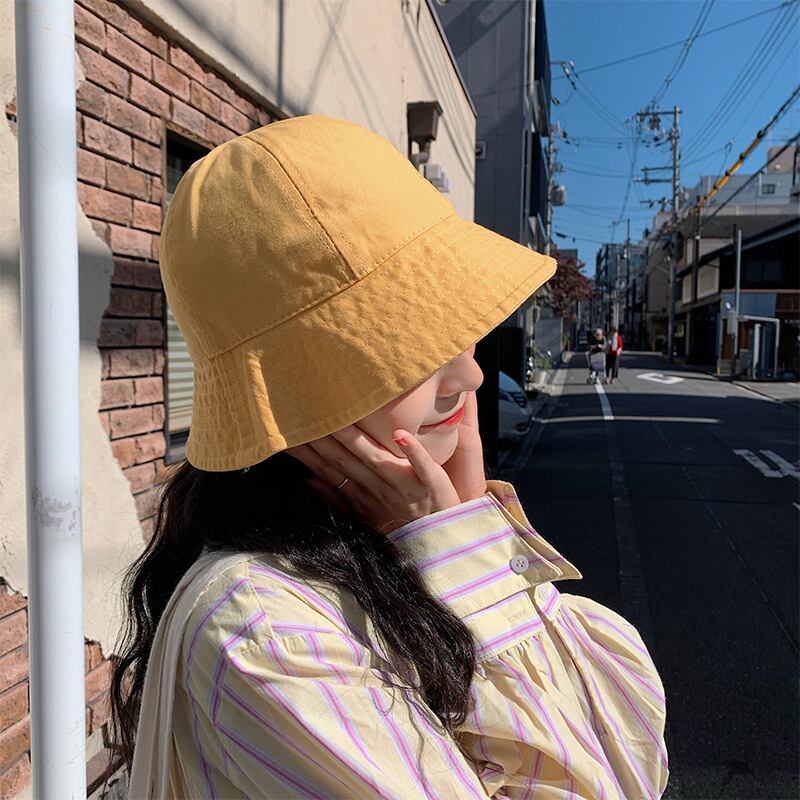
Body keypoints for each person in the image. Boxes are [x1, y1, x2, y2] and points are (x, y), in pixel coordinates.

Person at [111, 115, 668, 799]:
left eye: (459, 329)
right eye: (408, 347)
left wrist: (462, 531)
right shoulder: (267, 631)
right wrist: (466, 556)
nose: (469, 375)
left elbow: (626, 746)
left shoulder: (369, 556)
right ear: (297, 391)